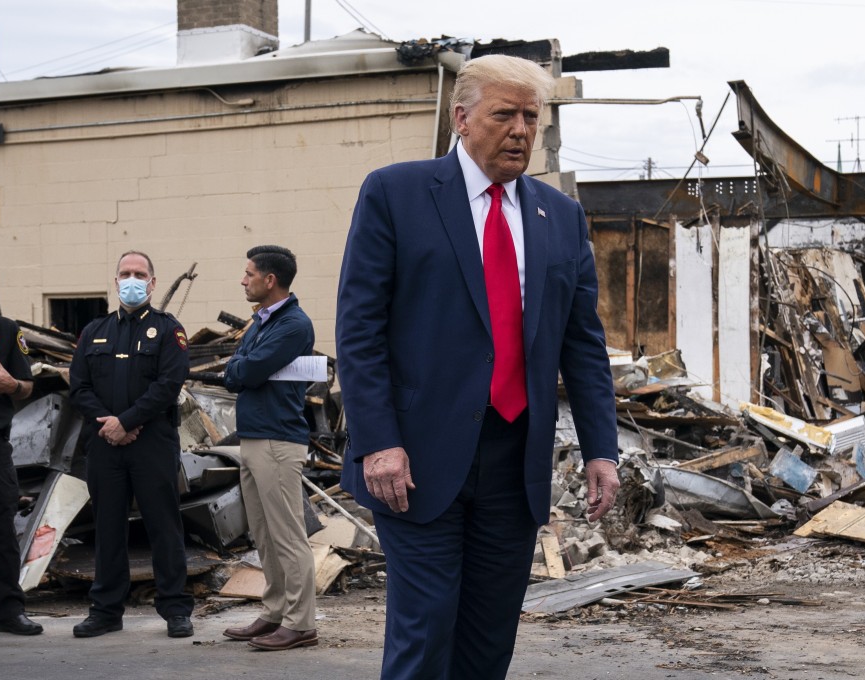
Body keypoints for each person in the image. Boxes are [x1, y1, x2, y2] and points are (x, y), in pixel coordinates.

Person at [335, 54, 621, 679]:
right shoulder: (396, 193)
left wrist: (602, 448)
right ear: (461, 118)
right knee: (425, 631)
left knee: (489, 641)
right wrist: (378, 441)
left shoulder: (560, 215)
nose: (520, 130)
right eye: (504, 115)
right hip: (415, 458)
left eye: (531, 117)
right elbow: (359, 330)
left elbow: (582, 342)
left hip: (514, 461)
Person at [68, 251, 194, 639]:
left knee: (163, 526)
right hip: (104, 444)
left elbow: (169, 384)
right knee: (107, 529)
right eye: (125, 273)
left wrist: (127, 421)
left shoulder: (168, 330)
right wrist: (110, 424)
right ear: (116, 281)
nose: (132, 279)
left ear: (153, 283)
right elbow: (79, 387)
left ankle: (175, 609)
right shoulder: (94, 331)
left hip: (152, 443)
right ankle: (106, 611)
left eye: (140, 274)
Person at [221, 245, 319, 651]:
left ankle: (301, 623)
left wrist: (239, 368)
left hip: (278, 441)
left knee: (287, 536)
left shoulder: (293, 325)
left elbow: (245, 370)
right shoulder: (263, 321)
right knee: (264, 534)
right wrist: (239, 368)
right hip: (254, 437)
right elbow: (238, 368)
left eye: (249, 274)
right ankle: (276, 611)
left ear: (270, 279)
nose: (243, 280)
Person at [0, 263, 43, 641]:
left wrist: (9, 384)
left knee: (1, 530)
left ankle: (9, 612)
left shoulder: (2, 330)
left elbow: (27, 386)